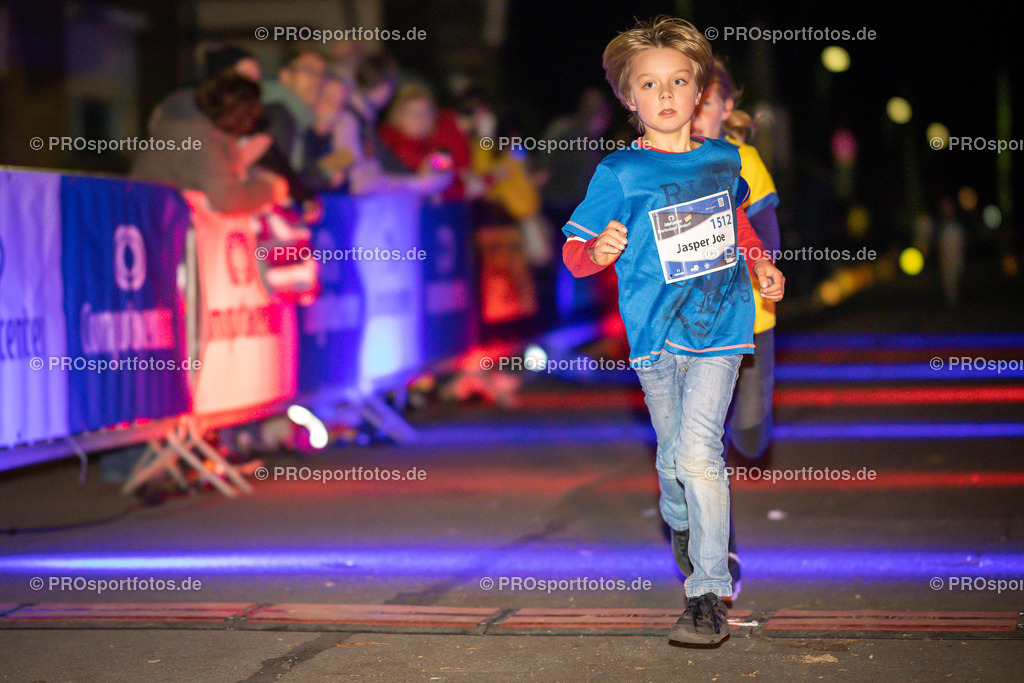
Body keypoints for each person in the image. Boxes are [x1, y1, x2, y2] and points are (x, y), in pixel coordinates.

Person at [561, 16, 784, 645]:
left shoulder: (724, 160)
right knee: (672, 464)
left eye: (679, 81)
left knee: (698, 455)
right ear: (629, 100)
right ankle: (683, 521)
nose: (665, 95)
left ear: (699, 92)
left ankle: (707, 593)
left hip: (722, 328)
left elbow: (737, 222)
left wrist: (761, 263)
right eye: (650, 85)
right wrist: (598, 251)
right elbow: (576, 252)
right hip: (656, 339)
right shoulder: (620, 173)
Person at [691, 59, 782, 601]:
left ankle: (741, 429)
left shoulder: (745, 160)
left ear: (727, 108)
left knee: (747, 435)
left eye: (708, 100)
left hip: (750, 322)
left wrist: (762, 265)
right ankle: (719, 553)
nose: (697, 108)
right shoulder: (662, 162)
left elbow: (764, 232)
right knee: (703, 446)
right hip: (690, 326)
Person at [132, 72, 287, 215]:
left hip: (147, 218)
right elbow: (227, 200)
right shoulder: (204, 139)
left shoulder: (188, 124)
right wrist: (273, 189)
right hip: (159, 227)